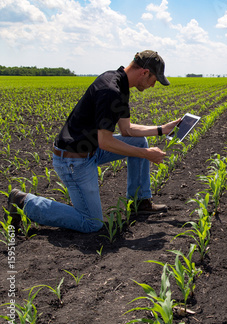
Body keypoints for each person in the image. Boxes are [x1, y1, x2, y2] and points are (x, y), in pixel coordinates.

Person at [4, 50, 181, 234]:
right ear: (144, 72)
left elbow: (127, 130)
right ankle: (24, 202)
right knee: (91, 223)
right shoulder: (111, 91)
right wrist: (146, 155)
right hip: (73, 161)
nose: (153, 85)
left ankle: (140, 201)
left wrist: (162, 129)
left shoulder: (120, 82)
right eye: (154, 80)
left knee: (139, 142)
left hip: (91, 150)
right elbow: (105, 142)